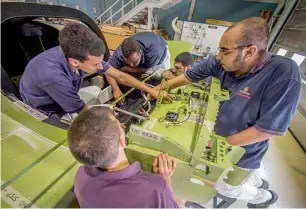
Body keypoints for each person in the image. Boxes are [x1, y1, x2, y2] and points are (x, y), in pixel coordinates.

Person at [152, 17, 302, 208]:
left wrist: (217, 145)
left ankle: (262, 197)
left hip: (244, 151)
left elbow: (268, 130)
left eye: (225, 51)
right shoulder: (223, 63)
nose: (219, 56)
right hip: (220, 134)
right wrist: (162, 89)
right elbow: (190, 76)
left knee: (226, 186)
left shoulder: (283, 73)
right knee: (243, 178)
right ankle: (254, 181)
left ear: (250, 51)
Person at [19, 23, 170, 122]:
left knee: (96, 95)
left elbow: (120, 75)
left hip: (66, 91)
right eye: (96, 64)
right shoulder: (53, 76)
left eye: (100, 62)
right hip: (46, 108)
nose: (100, 67)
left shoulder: (79, 53)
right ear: (74, 62)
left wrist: (151, 90)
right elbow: (82, 111)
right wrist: (111, 125)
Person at [68, 106, 179, 208]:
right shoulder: (156, 190)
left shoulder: (80, 176)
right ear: (121, 141)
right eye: (119, 125)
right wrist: (165, 180)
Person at [106, 32, 171, 100]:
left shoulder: (153, 53)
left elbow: (147, 70)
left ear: (140, 53)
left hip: (160, 55)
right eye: (127, 61)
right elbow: (108, 69)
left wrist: (130, 69)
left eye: (134, 61)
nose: (131, 65)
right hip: (145, 44)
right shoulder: (120, 53)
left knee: (159, 79)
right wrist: (116, 89)